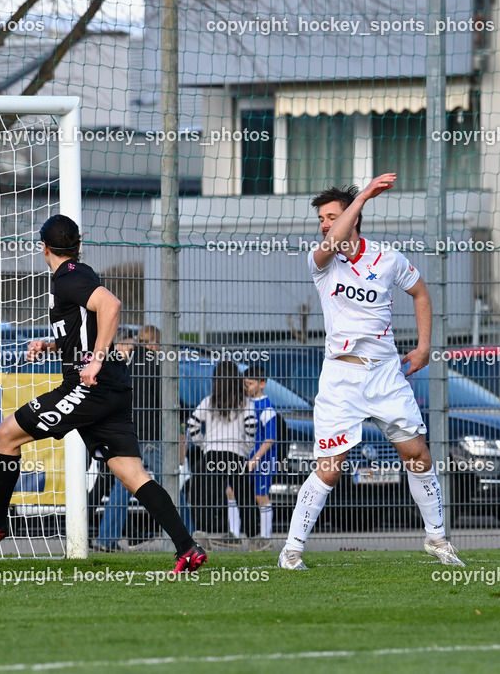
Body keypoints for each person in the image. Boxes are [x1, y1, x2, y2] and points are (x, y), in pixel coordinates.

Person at [0, 214, 206, 575]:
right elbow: (84, 332)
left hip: (90, 388)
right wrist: (53, 345)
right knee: (131, 473)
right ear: (77, 245)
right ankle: (187, 547)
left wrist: (95, 361)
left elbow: (112, 306)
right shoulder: (74, 277)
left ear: (44, 248)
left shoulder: (71, 277)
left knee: (6, 434)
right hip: (109, 388)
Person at [278, 174, 464, 570]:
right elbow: (331, 244)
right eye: (322, 219)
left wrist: (424, 346)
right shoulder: (322, 262)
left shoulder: (388, 258)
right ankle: (291, 550)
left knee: (418, 456)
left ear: (353, 218)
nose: (325, 224)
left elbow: (420, 292)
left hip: (385, 375)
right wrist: (362, 196)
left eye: (332, 216)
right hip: (341, 379)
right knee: (329, 470)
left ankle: (437, 540)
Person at [93, 326, 166, 551]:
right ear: (154, 343)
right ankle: (189, 534)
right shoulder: (157, 364)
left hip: (126, 433)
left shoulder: (122, 364)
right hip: (153, 434)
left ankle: (106, 540)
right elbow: (166, 400)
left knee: (122, 487)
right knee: (169, 483)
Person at [186, 361, 257, 542]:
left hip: (212, 452)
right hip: (236, 453)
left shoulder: (209, 401)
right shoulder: (245, 402)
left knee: (205, 494)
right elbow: (250, 427)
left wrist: (203, 445)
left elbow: (192, 424)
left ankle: (201, 534)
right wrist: (247, 448)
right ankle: (254, 538)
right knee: (244, 496)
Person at [242, 363, 277, 552]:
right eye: (245, 384)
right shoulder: (244, 404)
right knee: (232, 492)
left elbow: (270, 438)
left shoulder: (266, 406)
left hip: (262, 459)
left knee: (260, 496)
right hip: (245, 457)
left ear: (262, 384)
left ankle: (265, 538)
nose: (247, 387)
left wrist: (255, 459)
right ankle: (235, 535)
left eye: (250, 384)